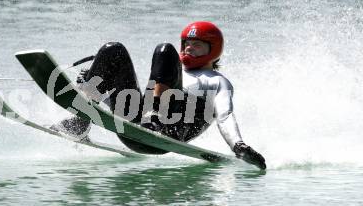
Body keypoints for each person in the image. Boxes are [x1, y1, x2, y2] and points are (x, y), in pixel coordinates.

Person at [53, 21, 266, 169]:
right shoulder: (172, 73)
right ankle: (79, 122)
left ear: (213, 49)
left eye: (197, 45)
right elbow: (126, 103)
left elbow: (225, 116)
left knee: (164, 49)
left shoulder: (217, 81)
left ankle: (153, 120)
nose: (189, 48)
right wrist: (101, 81)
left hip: (168, 132)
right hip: (137, 124)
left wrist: (238, 145)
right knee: (113, 50)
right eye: (186, 44)